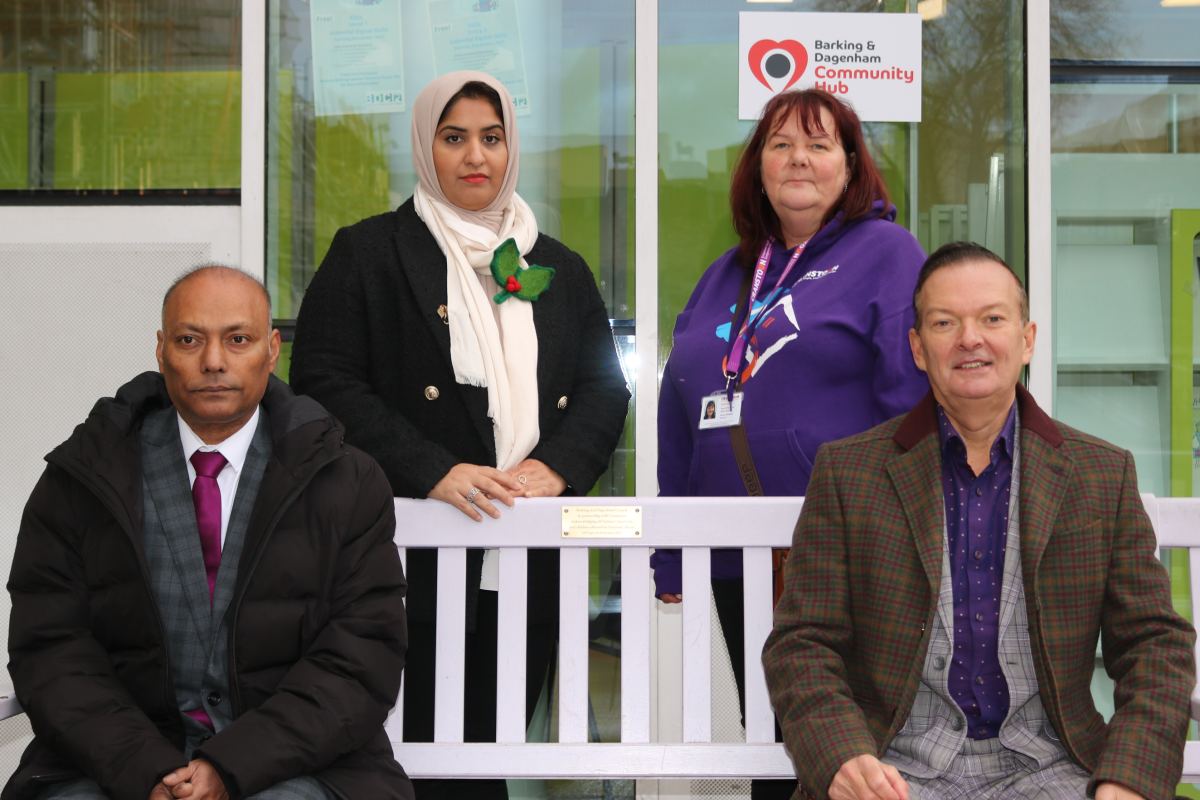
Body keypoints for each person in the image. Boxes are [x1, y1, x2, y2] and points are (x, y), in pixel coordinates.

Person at [289, 71, 630, 800]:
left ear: (512, 148)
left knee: (488, 744)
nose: (476, 156)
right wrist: (435, 470)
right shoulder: (369, 254)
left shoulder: (558, 269)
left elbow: (604, 388)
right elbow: (324, 381)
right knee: (401, 753)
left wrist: (557, 467)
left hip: (524, 554)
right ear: (425, 147)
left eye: (492, 137)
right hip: (402, 557)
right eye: (454, 138)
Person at [763, 242, 1196, 800]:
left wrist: (1128, 781)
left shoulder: (1101, 474)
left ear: (1027, 339)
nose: (971, 338)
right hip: (894, 769)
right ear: (919, 348)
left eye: (992, 318)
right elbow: (802, 642)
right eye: (946, 322)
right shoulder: (850, 473)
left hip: (1055, 768)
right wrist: (843, 756)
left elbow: (1154, 644)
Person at [4, 265, 411, 800]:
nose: (213, 361)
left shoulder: (345, 481)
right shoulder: (83, 476)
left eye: (237, 340)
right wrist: (143, 768)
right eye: (190, 339)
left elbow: (360, 660)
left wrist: (230, 766)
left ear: (271, 349)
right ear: (160, 349)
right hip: (115, 763)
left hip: (297, 764)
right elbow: (51, 649)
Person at [653, 88, 929, 799]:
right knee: (776, 742)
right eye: (779, 144)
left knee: (852, 749)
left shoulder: (887, 254)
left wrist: (918, 531)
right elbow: (677, 409)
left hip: (847, 553)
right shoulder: (727, 274)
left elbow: (914, 396)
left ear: (850, 164)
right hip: (735, 556)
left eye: (818, 143)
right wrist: (670, 544)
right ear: (758, 167)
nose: (798, 158)